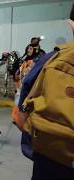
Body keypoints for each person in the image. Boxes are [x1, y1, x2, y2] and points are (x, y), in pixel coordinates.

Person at [16, 5, 74, 179]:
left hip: (50, 155)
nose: (30, 49)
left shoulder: (50, 56)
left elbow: (25, 94)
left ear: (71, 24)